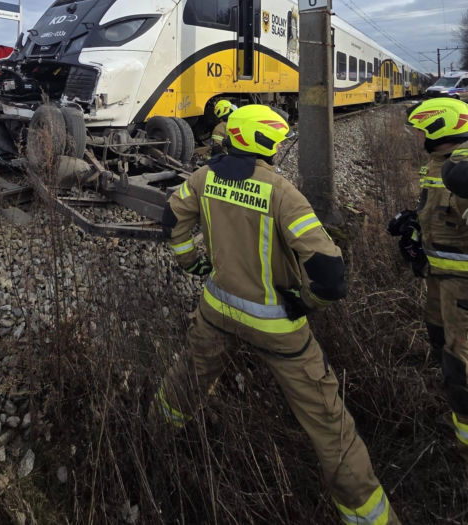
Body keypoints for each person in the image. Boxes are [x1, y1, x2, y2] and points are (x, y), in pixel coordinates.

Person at [152, 104, 399, 524]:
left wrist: (191, 263)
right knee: (329, 425)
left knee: (186, 380)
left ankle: (155, 437)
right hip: (276, 326)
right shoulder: (282, 193)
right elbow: (330, 276)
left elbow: (171, 219)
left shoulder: (203, 177)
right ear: (266, 145)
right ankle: (368, 515)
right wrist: (307, 302)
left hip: (217, 307)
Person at [392, 98, 468, 454]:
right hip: (439, 280)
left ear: (440, 130)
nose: (420, 137)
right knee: (440, 342)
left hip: (462, 288)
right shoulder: (438, 164)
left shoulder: (463, 168)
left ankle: (463, 444)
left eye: (423, 131)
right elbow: (439, 212)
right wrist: (415, 229)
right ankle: (455, 414)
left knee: (461, 363)